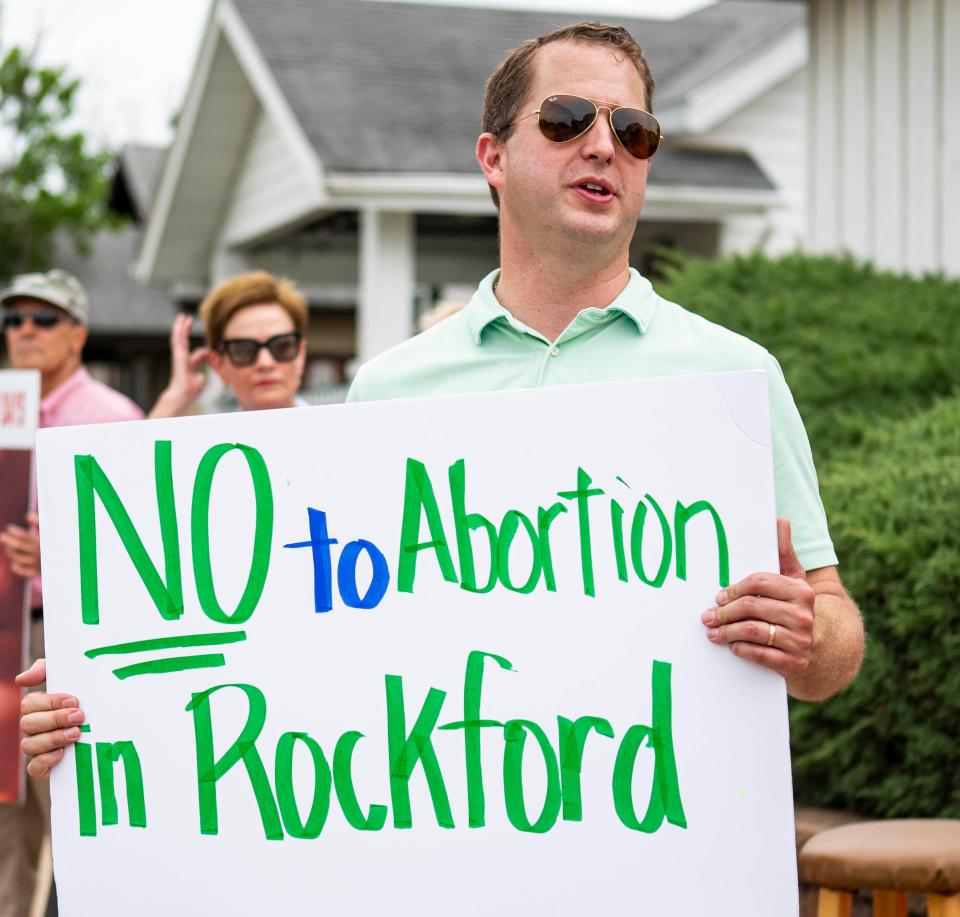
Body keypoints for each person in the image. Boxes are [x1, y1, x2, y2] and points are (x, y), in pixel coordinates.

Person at [18, 21, 863, 786]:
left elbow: (833, 636)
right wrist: (110, 697)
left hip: (665, 855)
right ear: (493, 157)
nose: (605, 146)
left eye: (633, 130)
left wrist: (810, 639)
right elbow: (309, 636)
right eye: (569, 118)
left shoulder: (734, 376)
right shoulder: (390, 388)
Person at [1, 269, 142, 917]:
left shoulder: (112, 418)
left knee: (78, 798)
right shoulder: (4, 407)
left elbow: (141, 549)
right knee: (8, 811)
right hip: (6, 631)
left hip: (71, 636)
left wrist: (52, 563)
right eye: (14, 319)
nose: (25, 330)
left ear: (78, 333)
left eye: (43, 318)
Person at [148, 270, 308, 418]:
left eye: (282, 346)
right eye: (244, 350)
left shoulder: (331, 431)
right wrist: (177, 397)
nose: (265, 363)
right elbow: (140, 448)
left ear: (300, 354)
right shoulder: (206, 440)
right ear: (218, 364)